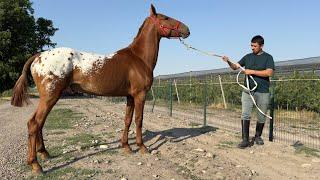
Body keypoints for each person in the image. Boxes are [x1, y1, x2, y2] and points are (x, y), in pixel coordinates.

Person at [222, 35, 275, 149]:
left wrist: (252, 71)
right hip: (247, 91)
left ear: (261, 46)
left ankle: (257, 136)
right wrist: (228, 62)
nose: (252, 48)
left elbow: (269, 73)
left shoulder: (268, 58)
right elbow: (235, 67)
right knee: (245, 114)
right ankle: (245, 140)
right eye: (251, 45)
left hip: (263, 91)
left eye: (255, 46)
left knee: (261, 115)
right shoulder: (247, 57)